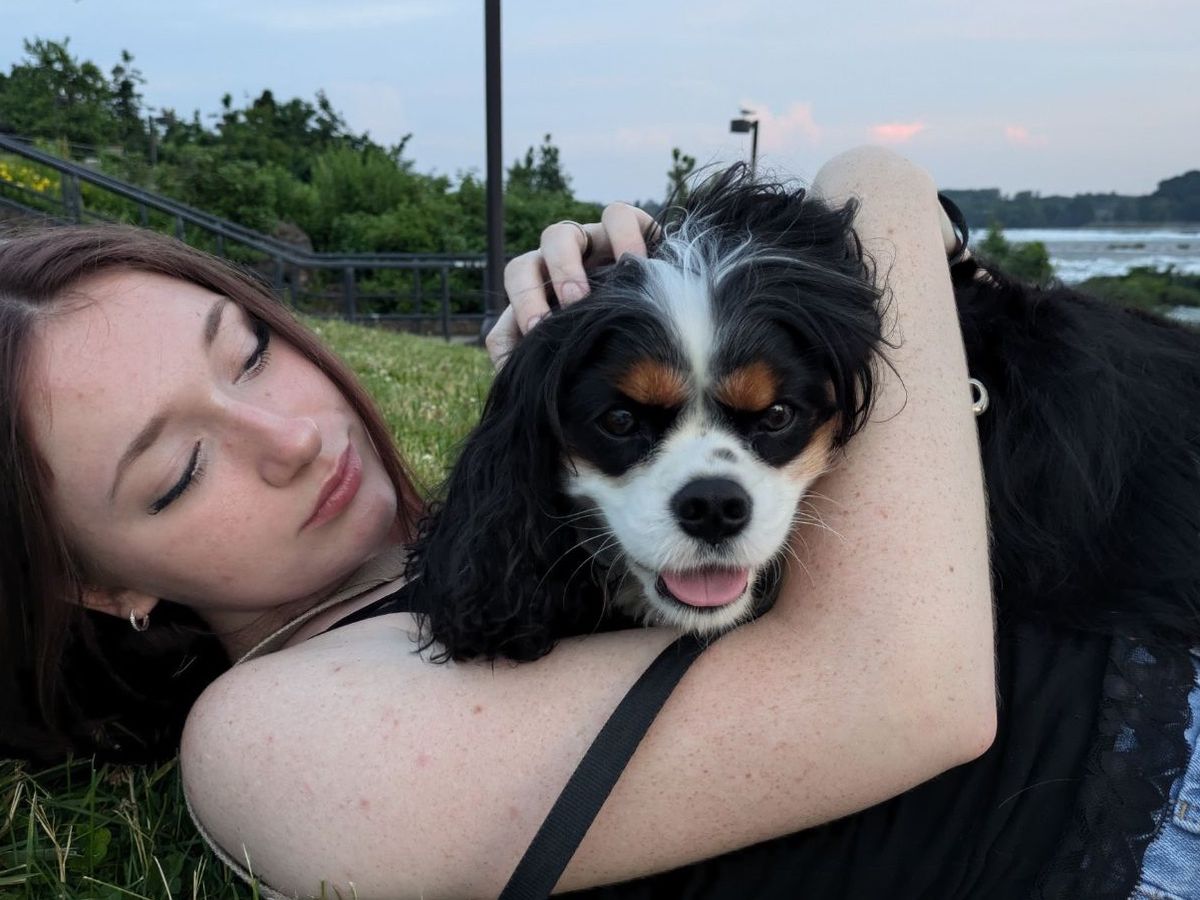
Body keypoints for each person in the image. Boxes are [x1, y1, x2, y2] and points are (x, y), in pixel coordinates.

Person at [0, 147, 997, 897]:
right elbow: (910, 691)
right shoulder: (265, 741)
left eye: (251, 353)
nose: (291, 438)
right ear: (92, 583)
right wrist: (878, 197)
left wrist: (672, 305)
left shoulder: (553, 508)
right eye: (178, 471)